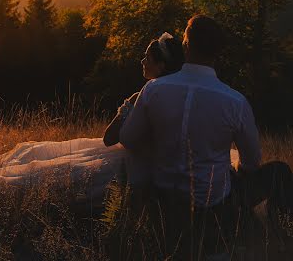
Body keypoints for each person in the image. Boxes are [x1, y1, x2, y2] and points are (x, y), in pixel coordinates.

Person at [0, 33, 183, 204]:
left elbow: (109, 138)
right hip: (161, 171)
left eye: (147, 58)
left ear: (160, 66)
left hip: (130, 164)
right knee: (46, 164)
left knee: (50, 173)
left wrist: (124, 110)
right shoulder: (182, 97)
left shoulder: (143, 95)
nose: (142, 61)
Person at [119, 14, 293, 239]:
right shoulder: (234, 101)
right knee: (279, 171)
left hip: (164, 204)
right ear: (217, 52)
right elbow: (252, 161)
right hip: (214, 210)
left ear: (186, 45)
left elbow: (128, 138)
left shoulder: (154, 90)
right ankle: (278, 235)